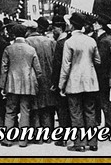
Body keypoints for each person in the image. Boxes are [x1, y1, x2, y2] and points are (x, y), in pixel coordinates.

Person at [59, 13, 101, 152]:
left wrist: (61, 85)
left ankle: (79, 143)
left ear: (71, 25)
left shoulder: (69, 42)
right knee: (90, 111)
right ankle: (93, 142)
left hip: (74, 81)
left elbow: (66, 66)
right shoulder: (91, 41)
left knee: (76, 113)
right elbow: (97, 61)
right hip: (90, 81)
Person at [0, 24, 42, 148]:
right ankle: (23, 141)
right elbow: (38, 70)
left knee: (10, 111)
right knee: (25, 111)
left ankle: (7, 139)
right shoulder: (31, 49)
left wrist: (2, 86)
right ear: (26, 33)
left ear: (13, 34)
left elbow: (4, 69)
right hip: (28, 84)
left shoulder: (8, 49)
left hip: (12, 84)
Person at [25, 17, 57, 137]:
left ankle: (37, 135)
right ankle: (49, 134)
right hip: (49, 77)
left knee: (35, 106)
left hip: (34, 77)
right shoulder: (50, 42)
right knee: (48, 106)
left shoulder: (27, 42)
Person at [50, 15, 71, 147]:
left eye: (54, 28)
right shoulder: (69, 41)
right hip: (71, 80)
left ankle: (63, 137)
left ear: (61, 28)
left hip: (61, 81)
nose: (53, 31)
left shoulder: (60, 44)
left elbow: (57, 65)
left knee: (62, 110)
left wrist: (55, 83)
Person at [92, 13, 111, 129]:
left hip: (101, 74)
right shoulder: (107, 38)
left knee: (103, 100)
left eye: (95, 23)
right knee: (104, 100)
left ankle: (110, 124)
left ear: (99, 25)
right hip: (105, 74)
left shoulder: (102, 41)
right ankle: (109, 123)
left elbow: (100, 59)